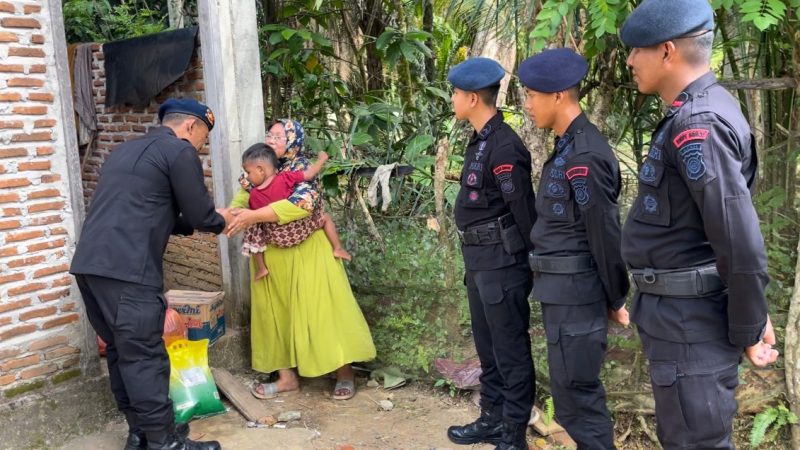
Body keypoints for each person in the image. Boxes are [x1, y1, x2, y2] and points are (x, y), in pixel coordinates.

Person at [619, 1, 779, 448]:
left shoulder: (698, 123)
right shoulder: (696, 111)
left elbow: (738, 241)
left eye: (637, 50)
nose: (630, 61)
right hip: (679, 319)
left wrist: (749, 326)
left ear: (667, 51)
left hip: (692, 323)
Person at [70, 98, 230, 450]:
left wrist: (200, 221)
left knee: (121, 352)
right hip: (129, 271)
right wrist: (223, 220)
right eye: (204, 136)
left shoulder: (126, 152)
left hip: (91, 267)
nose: (201, 145)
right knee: (144, 356)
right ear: (191, 127)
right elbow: (202, 215)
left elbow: (155, 210)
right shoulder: (179, 152)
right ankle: (166, 443)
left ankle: (140, 434)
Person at [518, 48, 629, 450]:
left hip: (577, 295)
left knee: (579, 399)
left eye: (531, 95)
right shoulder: (567, 148)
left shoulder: (585, 154)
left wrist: (616, 296)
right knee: (569, 397)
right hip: (562, 294)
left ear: (560, 95)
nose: (528, 105)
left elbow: (603, 233)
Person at [224, 119, 375, 401]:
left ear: (293, 141)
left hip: (309, 249)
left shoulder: (302, 171)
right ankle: (286, 378)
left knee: (324, 311)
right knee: (274, 314)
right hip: (271, 254)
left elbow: (302, 205)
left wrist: (253, 216)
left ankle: (343, 372)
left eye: (279, 136)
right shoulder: (255, 170)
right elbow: (242, 200)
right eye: (269, 133)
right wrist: (229, 215)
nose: (271, 139)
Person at [444, 57, 537, 450]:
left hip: (503, 263)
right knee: (488, 348)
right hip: (479, 262)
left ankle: (514, 433)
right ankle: (492, 417)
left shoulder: (504, 146)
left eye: (455, 93)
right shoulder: (481, 139)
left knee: (511, 348)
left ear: (471, 97)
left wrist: (531, 265)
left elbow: (524, 214)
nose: (451, 99)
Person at [239, 143, 349, 279]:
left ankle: (261, 268)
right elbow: (309, 174)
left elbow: (257, 217)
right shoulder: (286, 177)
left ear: (261, 170)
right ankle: (337, 248)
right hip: (299, 231)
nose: (247, 177)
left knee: (254, 227)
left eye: (248, 172)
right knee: (325, 217)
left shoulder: (254, 194)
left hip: (276, 238)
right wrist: (321, 159)